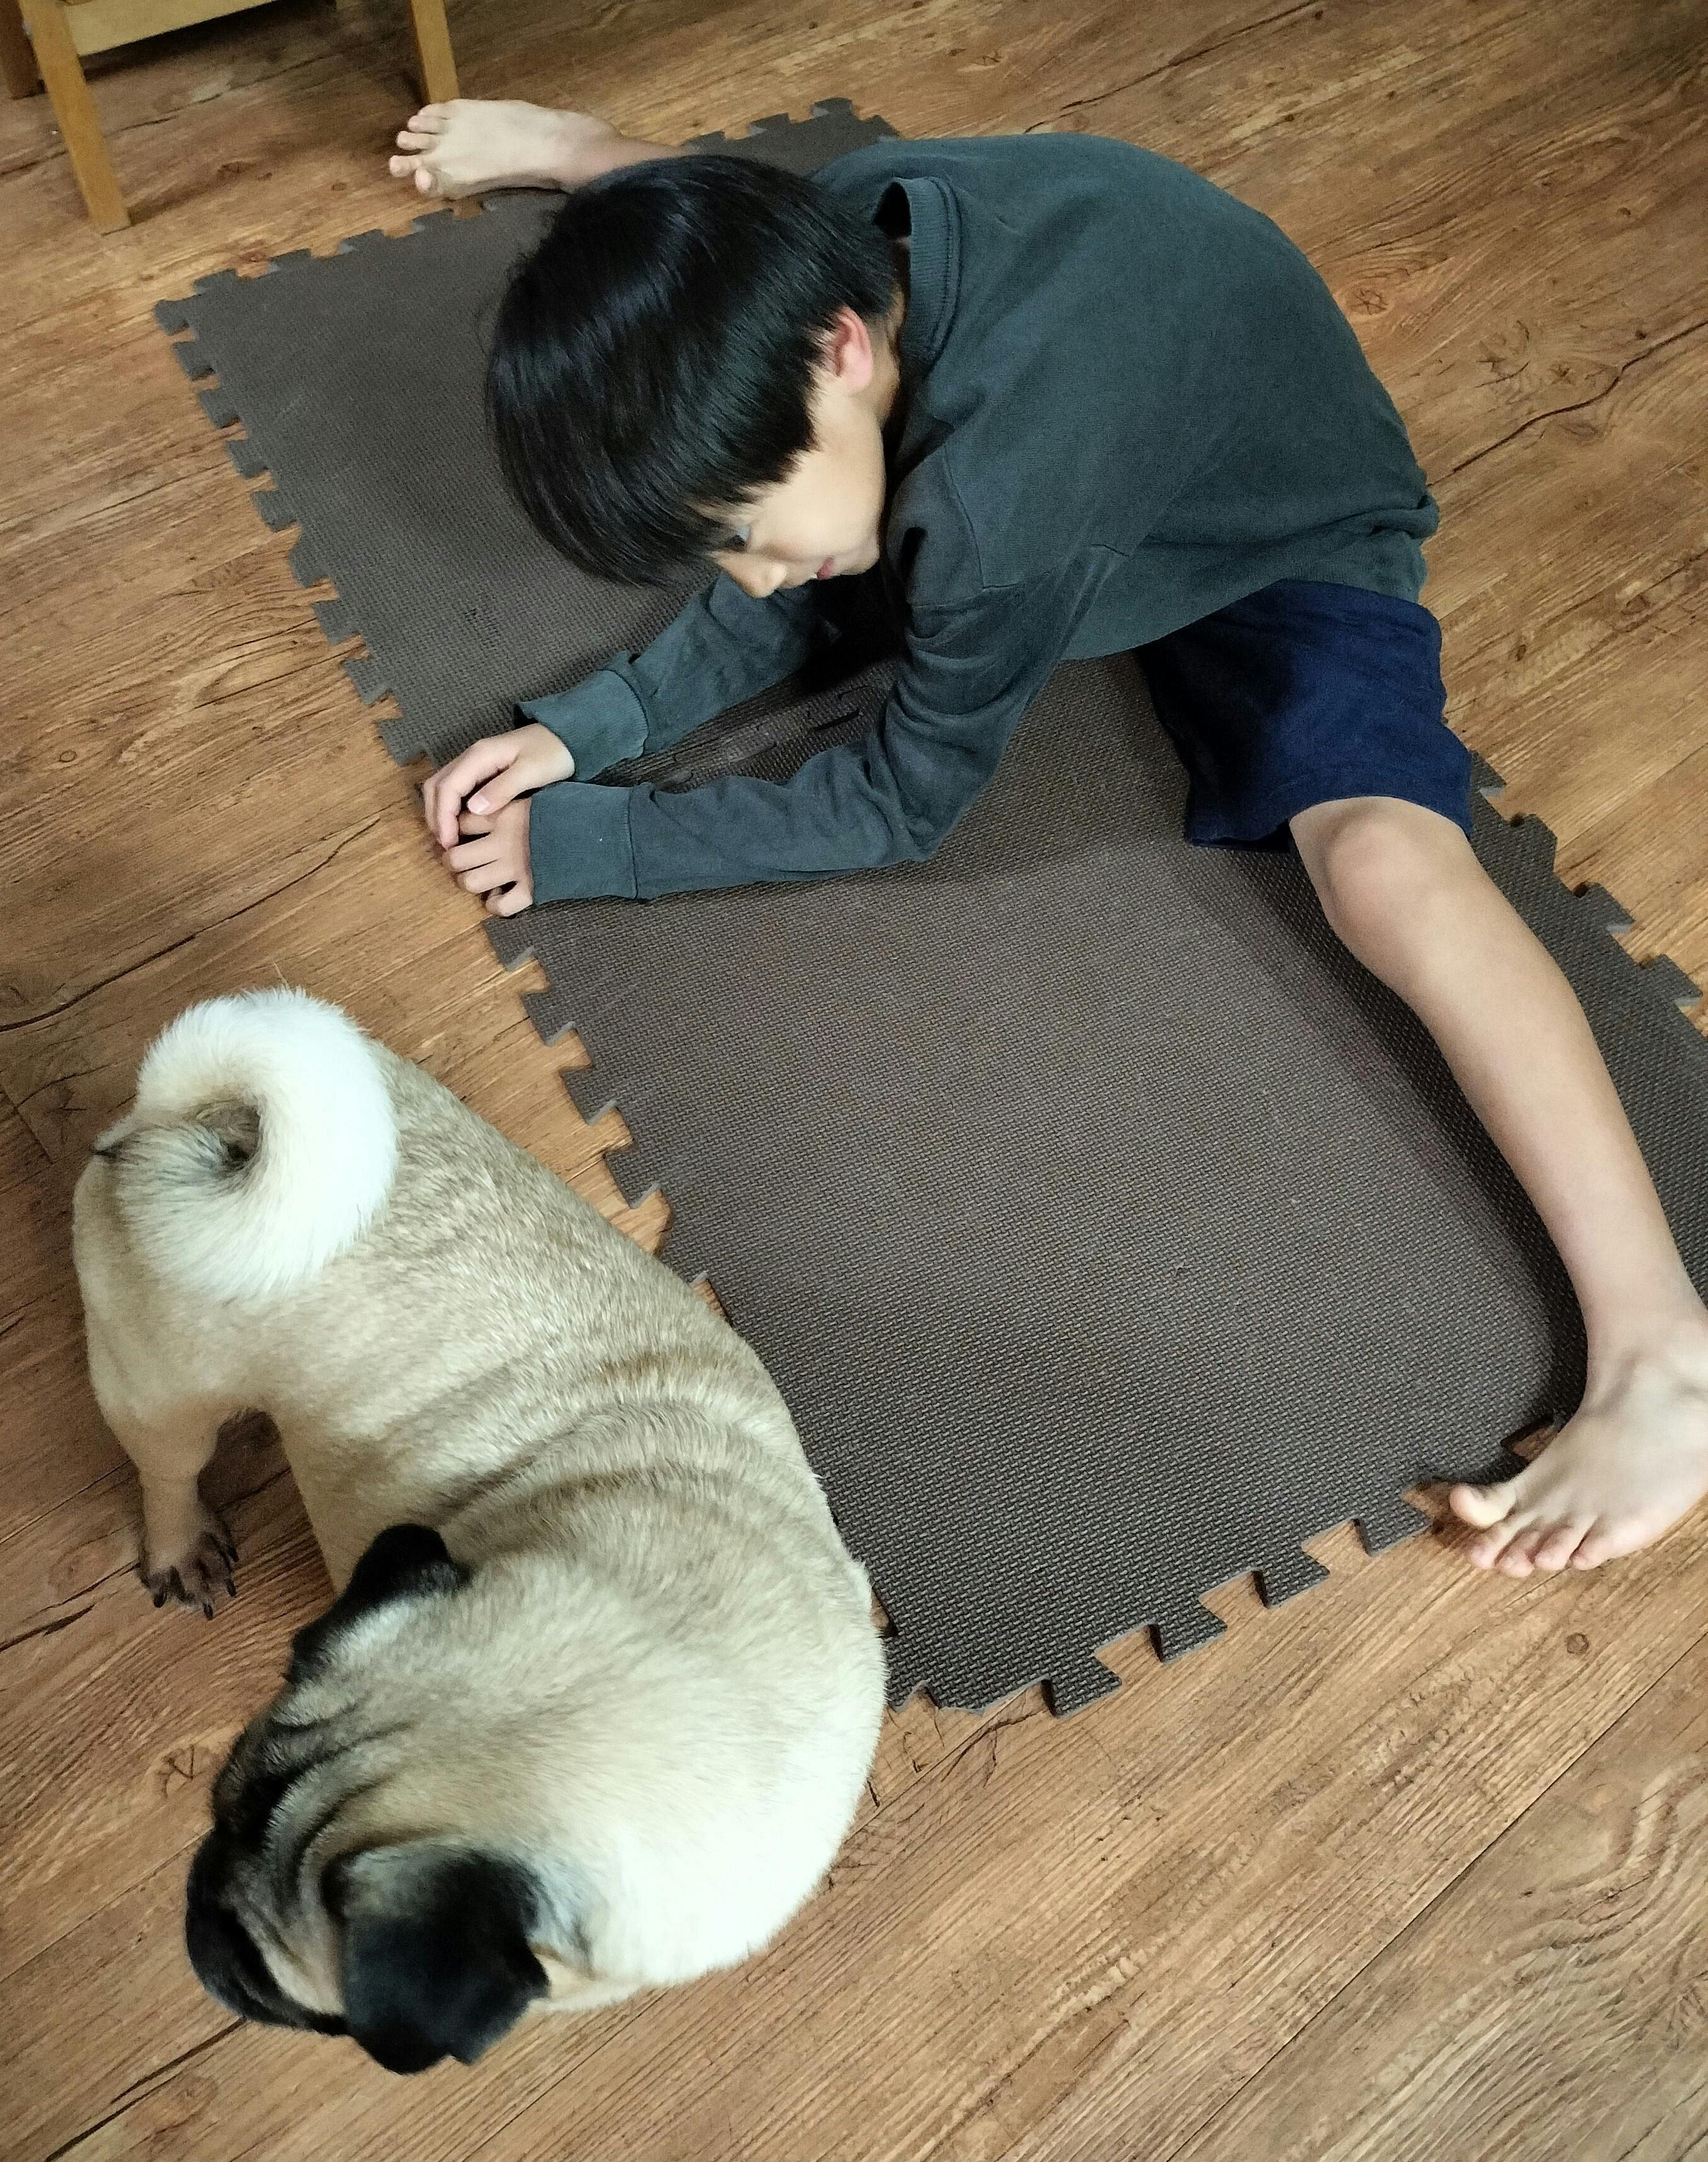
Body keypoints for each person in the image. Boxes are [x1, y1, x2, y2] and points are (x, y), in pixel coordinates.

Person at [392, 99, 1708, 1580]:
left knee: (1382, 864)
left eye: (743, 526)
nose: (747, 574)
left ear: (840, 349)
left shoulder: (996, 499)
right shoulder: (831, 231)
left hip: (1279, 535)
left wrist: (600, 841)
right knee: (830, 530)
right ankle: (589, 154)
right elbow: (792, 565)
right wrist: (597, 720)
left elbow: (901, 799)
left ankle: (1663, 1352)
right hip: (1133, 425)